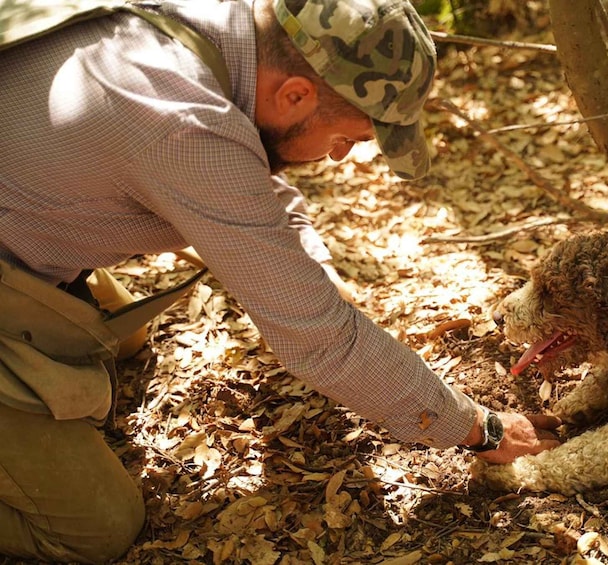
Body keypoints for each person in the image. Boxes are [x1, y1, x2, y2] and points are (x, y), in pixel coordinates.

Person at [0, 0, 561, 561]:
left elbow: (249, 177)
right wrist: (477, 429)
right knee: (96, 533)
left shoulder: (218, 32)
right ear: (295, 94)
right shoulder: (181, 123)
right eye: (350, 139)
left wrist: (309, 265)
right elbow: (321, 341)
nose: (340, 156)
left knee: (123, 337)